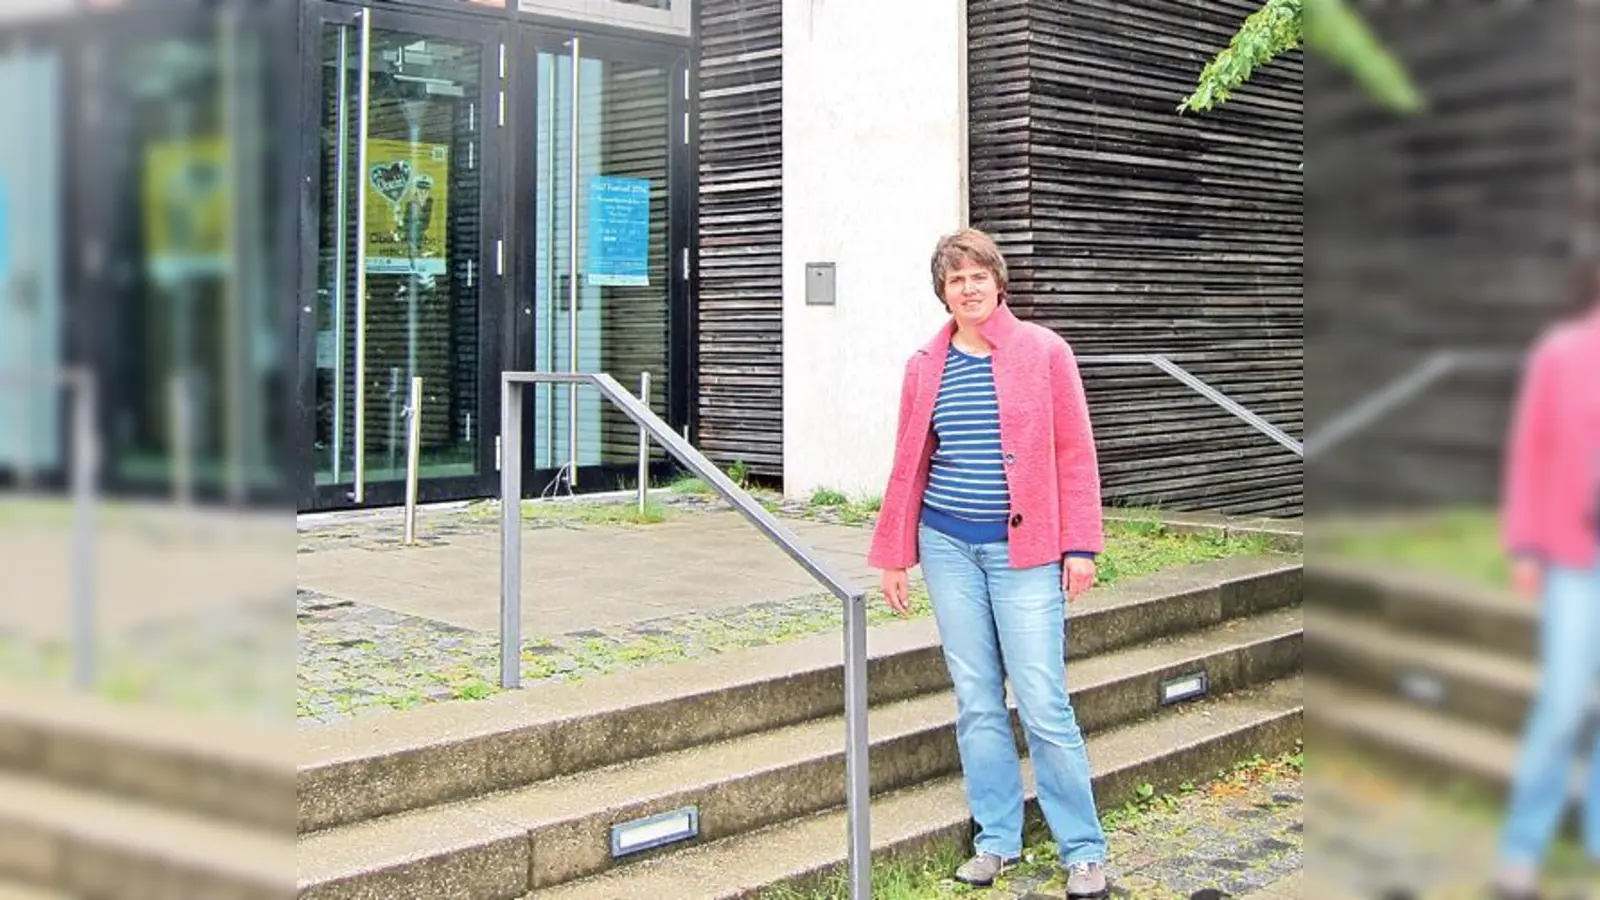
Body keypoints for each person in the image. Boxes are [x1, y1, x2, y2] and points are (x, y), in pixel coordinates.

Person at [867, 227, 1110, 898]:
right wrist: (895, 554)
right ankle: (996, 839)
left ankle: (1083, 849)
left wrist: (1081, 544)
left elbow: (1074, 452)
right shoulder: (925, 364)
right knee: (976, 699)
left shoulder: (1044, 351)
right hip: (948, 545)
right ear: (943, 293)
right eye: (955, 280)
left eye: (977, 275)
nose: (967, 288)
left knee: (1041, 698)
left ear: (998, 282)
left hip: (1025, 551)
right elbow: (909, 464)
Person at [1493, 296, 1600, 900]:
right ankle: (1522, 847)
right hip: (1575, 556)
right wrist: (1525, 546)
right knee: (1562, 701)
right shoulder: (1562, 353)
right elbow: (1530, 451)